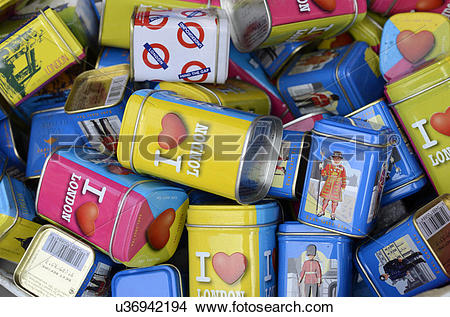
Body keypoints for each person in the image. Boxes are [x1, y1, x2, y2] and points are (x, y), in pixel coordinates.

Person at [317, 151, 347, 220]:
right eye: (335, 159)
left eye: (338, 159)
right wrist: (321, 168)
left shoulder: (342, 168)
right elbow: (324, 174)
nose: (336, 160)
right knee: (326, 199)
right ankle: (323, 211)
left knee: (335, 201)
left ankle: (333, 213)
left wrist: (343, 186)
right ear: (333, 159)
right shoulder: (329, 166)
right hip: (329, 184)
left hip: (336, 186)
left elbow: (344, 178)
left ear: (340, 160)